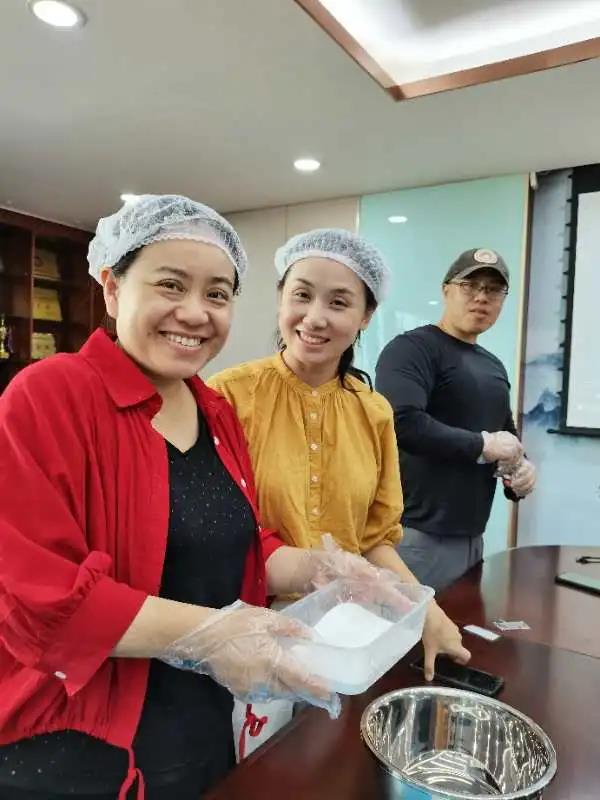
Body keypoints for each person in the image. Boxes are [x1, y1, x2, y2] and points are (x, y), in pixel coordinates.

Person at [0, 197, 401, 800]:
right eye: (170, 284)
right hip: (79, 744)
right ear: (112, 287)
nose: (194, 312)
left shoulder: (211, 409)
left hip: (204, 721)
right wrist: (214, 634)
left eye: (217, 293)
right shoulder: (52, 395)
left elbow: (229, 537)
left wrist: (316, 568)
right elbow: (36, 596)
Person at [208, 228, 471, 682]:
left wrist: (428, 614)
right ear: (280, 297)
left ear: (366, 316)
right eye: (302, 295)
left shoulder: (374, 412)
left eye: (338, 302)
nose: (315, 318)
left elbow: (374, 539)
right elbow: (213, 530)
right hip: (244, 632)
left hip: (342, 635)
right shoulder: (228, 396)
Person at [375, 248, 537, 592]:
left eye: (493, 290)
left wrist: (521, 467)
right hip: (415, 535)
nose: (481, 296)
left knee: (459, 626)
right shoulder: (412, 349)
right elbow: (402, 422)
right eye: (470, 285)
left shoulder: (493, 364)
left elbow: (504, 432)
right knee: (409, 627)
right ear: (446, 290)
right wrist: (483, 445)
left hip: (472, 537)